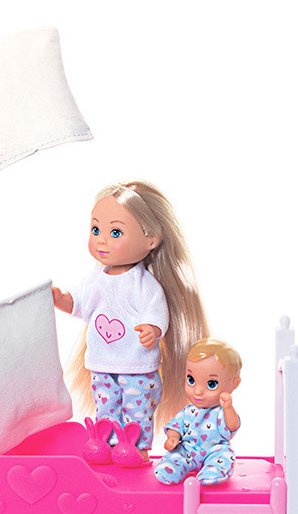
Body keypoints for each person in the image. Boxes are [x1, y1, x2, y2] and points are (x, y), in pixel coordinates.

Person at [52, 181, 209, 462]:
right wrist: (60, 298)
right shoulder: (96, 280)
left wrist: (152, 329)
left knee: (137, 408)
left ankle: (137, 448)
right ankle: (107, 442)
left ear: (151, 240)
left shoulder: (143, 284)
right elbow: (78, 303)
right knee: (107, 405)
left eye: (115, 232)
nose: (101, 240)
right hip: (102, 364)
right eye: (96, 230)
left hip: (137, 366)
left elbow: (156, 313)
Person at [154, 338, 241, 485]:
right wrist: (173, 438)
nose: (198, 391)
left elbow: (232, 426)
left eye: (211, 384)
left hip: (215, 450)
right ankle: (170, 470)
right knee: (175, 456)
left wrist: (228, 408)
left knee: (224, 457)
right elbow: (176, 426)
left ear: (234, 383)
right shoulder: (188, 412)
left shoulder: (221, 412)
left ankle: (212, 472)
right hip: (188, 449)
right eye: (191, 380)